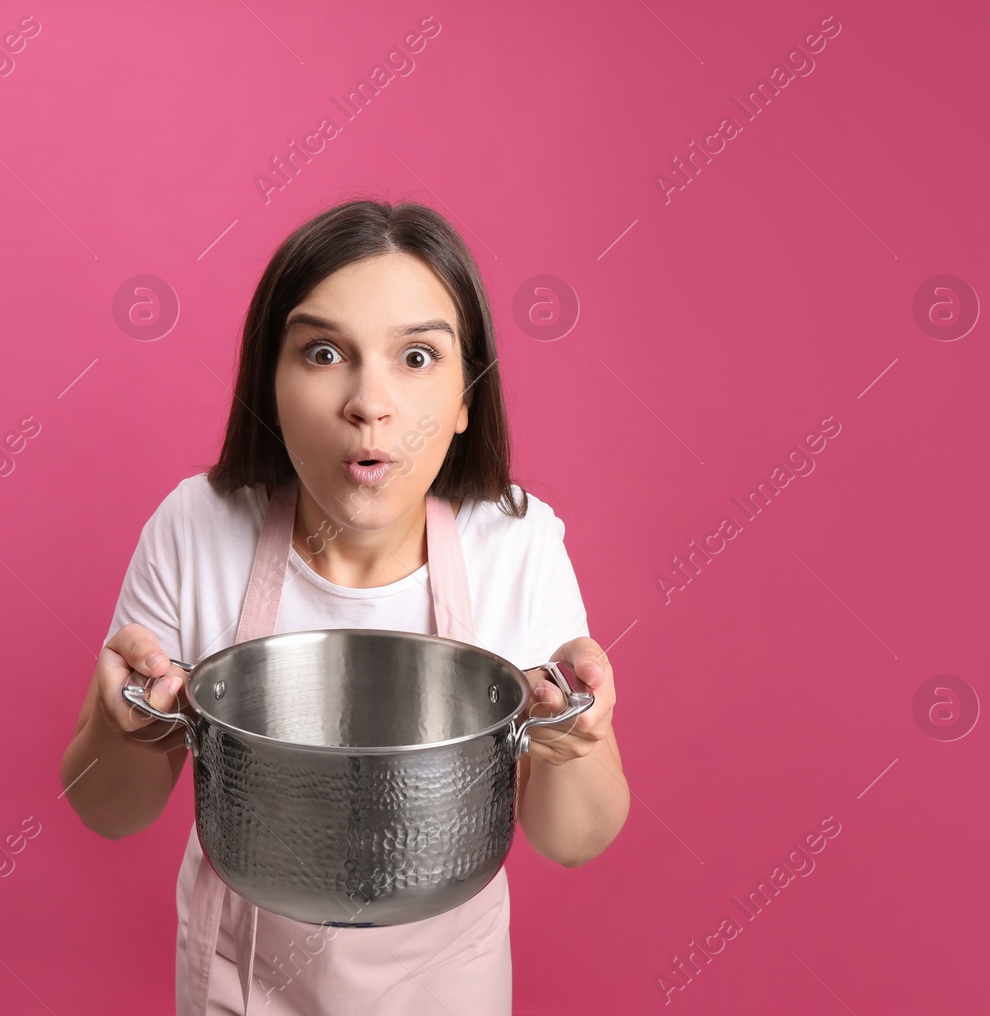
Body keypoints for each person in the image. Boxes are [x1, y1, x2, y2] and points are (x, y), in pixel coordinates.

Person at [60, 198, 630, 1015]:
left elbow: (576, 841)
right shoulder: (196, 528)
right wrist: (124, 726)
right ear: (270, 384)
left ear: (468, 400)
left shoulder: (516, 542)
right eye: (324, 352)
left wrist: (578, 741)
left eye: (418, 358)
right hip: (239, 986)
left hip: (448, 991)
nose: (370, 401)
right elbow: (106, 812)